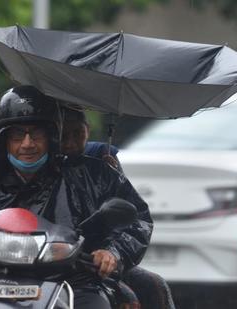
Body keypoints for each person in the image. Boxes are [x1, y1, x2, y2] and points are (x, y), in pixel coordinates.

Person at [0, 85, 153, 309]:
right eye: (17, 135)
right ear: (3, 140)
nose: (27, 144)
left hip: (72, 285)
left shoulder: (93, 175)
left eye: (36, 134)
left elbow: (136, 219)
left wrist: (113, 251)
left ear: (51, 137)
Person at [61, 107, 176, 309]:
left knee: (153, 285)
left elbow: (136, 219)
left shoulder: (102, 165)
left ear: (87, 130)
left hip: (93, 263)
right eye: (63, 136)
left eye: (77, 134)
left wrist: (113, 253)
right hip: (41, 260)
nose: (70, 143)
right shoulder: (3, 175)